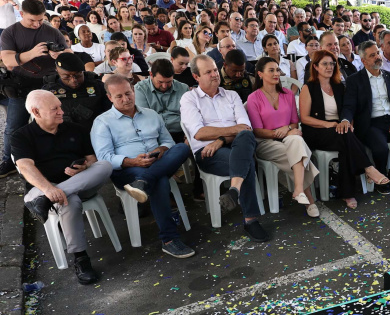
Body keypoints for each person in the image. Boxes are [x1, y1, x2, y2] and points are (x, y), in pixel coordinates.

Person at [13, 89, 112, 283]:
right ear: (36, 112)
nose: (61, 112)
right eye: (55, 109)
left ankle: (45, 201)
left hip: (80, 183)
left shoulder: (75, 129)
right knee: (69, 201)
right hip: (43, 187)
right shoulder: (21, 136)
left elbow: (92, 160)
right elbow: (25, 167)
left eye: (59, 107)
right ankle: (81, 259)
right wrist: (49, 190)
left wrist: (84, 167)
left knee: (105, 165)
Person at [90, 75, 195, 258]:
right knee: (160, 181)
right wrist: (133, 161)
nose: (126, 99)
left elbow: (168, 142)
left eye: (128, 93)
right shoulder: (103, 122)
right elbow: (104, 158)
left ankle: (144, 181)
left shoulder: (151, 114)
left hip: (157, 162)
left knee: (182, 148)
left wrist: (160, 150)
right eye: (119, 96)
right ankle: (169, 239)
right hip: (127, 170)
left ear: (133, 91)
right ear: (109, 97)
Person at [180, 54, 269, 242]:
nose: (215, 74)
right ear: (196, 77)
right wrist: (230, 132)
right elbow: (200, 133)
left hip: (235, 145)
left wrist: (220, 139)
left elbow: (245, 128)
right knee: (245, 162)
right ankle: (251, 219)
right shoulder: (189, 99)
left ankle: (234, 190)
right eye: (208, 72)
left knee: (246, 137)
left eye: (215, 70)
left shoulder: (231, 95)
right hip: (207, 153)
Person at [298, 49, 390, 209]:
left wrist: (349, 124)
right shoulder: (309, 87)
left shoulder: (339, 86)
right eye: (325, 64)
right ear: (315, 67)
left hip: (339, 129)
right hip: (316, 131)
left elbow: (348, 110)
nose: (329, 67)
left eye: (332, 64)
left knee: (346, 139)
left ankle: (349, 191)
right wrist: (327, 124)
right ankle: (368, 169)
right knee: (346, 137)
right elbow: (305, 118)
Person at [0, 0, 73, 177]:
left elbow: (69, 53)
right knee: (14, 125)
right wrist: (32, 53)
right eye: (32, 20)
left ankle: (59, 157)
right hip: (21, 83)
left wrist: (60, 54)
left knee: (57, 121)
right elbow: (7, 60)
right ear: (22, 14)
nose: (37, 24)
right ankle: (8, 161)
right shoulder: (10, 32)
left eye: (40, 20)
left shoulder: (52, 31)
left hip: (50, 82)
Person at [343, 41, 390, 193]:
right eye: (372, 55)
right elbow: (349, 105)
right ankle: (381, 176)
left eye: (377, 53)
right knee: (381, 148)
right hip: (370, 124)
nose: (377, 57)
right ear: (364, 61)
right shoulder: (355, 80)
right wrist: (345, 120)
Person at [246, 57, 319, 216]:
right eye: (271, 70)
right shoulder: (253, 98)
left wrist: (287, 128)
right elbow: (257, 131)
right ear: (260, 74)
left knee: (296, 140)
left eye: (277, 70)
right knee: (297, 151)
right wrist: (277, 132)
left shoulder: (287, 94)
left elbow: (294, 123)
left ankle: (298, 189)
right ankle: (309, 199)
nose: (276, 73)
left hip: (288, 137)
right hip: (265, 142)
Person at [41, 52, 110, 129]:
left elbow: (110, 114)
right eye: (66, 77)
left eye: (78, 75)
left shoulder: (97, 85)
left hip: (94, 130)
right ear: (57, 71)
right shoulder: (49, 90)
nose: (73, 80)